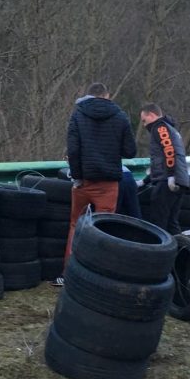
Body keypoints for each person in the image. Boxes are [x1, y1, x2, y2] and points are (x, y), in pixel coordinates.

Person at [58, 82, 137, 286]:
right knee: (105, 228)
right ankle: (101, 277)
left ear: (88, 96)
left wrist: (76, 177)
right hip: (109, 183)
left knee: (76, 225)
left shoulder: (77, 115)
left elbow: (73, 151)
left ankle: (69, 274)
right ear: (107, 96)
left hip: (83, 181)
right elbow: (130, 151)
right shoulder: (120, 116)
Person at [140, 103, 190, 233]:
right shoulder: (171, 129)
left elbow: (169, 151)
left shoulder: (160, 128)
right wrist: (145, 181)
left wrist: (171, 176)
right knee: (171, 223)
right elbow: (161, 160)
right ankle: (180, 251)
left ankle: (160, 252)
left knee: (159, 222)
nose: (144, 125)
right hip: (180, 180)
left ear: (151, 115)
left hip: (168, 181)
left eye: (144, 121)